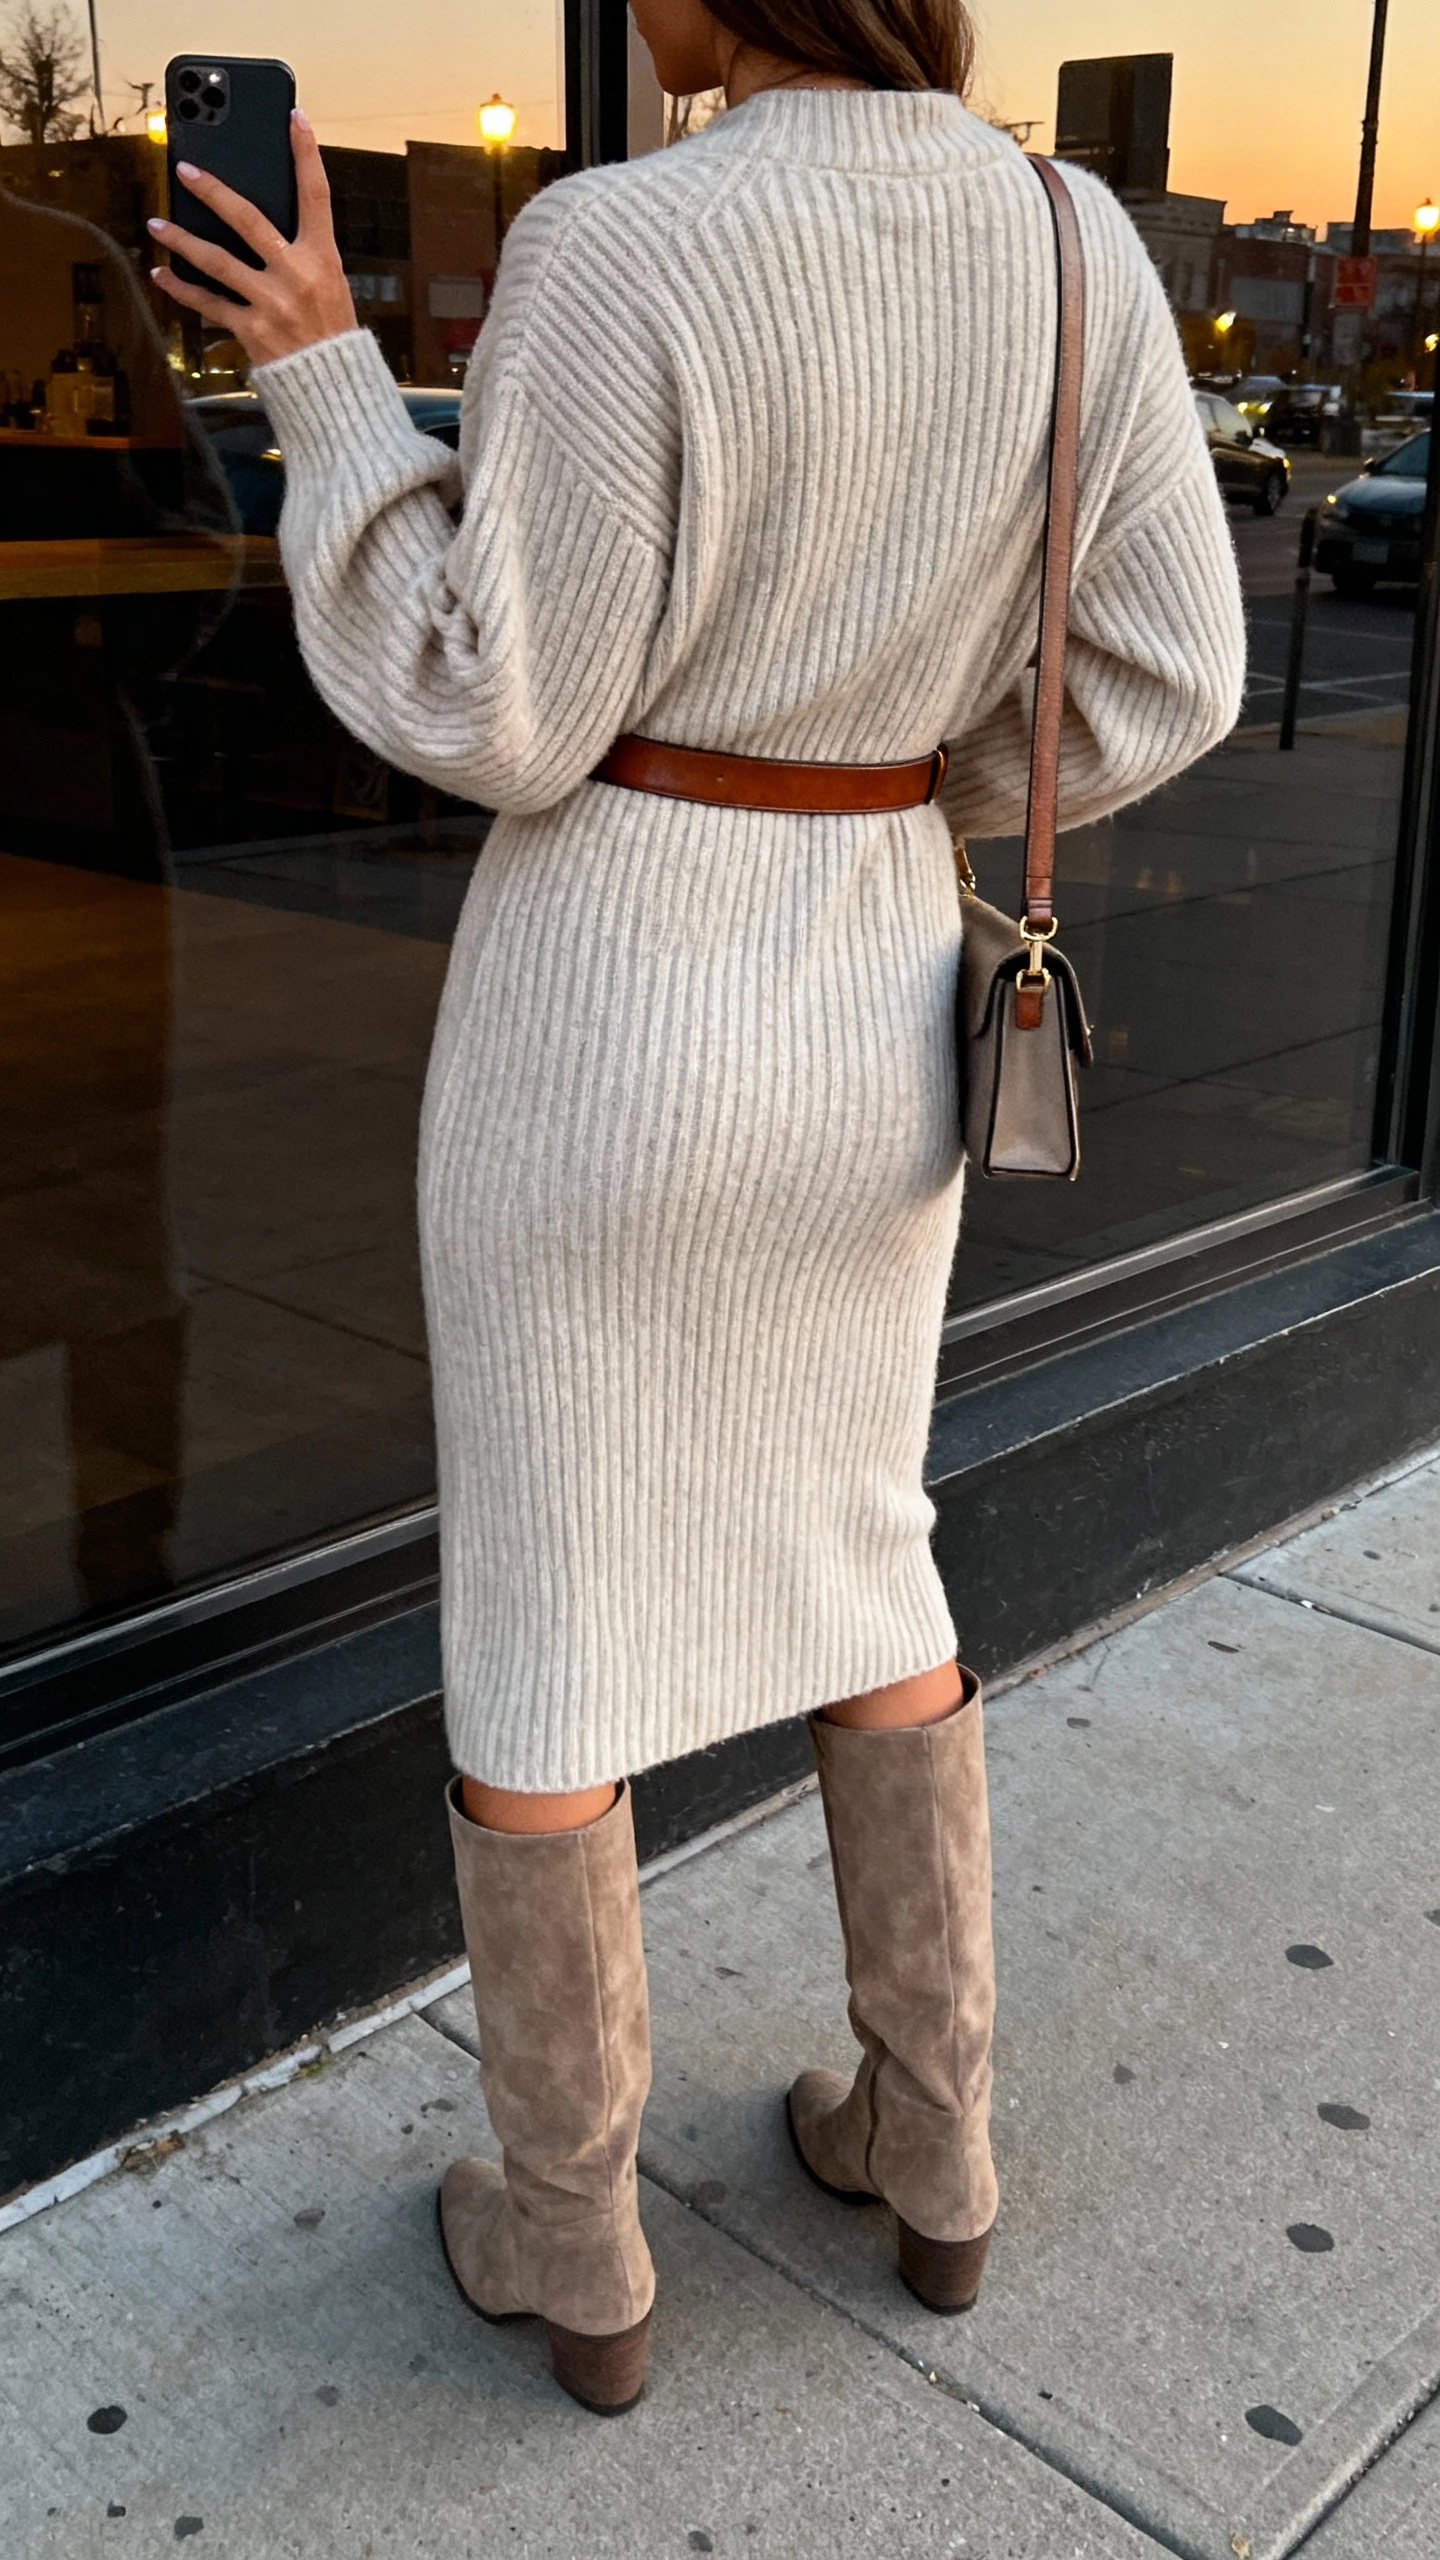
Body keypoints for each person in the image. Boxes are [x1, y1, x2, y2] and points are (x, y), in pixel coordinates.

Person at [149, 0, 1245, 2417]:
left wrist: (327, 373)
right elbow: (1174, 664)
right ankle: (935, 2153)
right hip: (871, 1003)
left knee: (549, 1605)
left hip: (604, 1025)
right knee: (868, 1540)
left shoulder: (616, 241)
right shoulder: (1073, 242)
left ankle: (582, 2253)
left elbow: (499, 704)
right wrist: (902, 771)